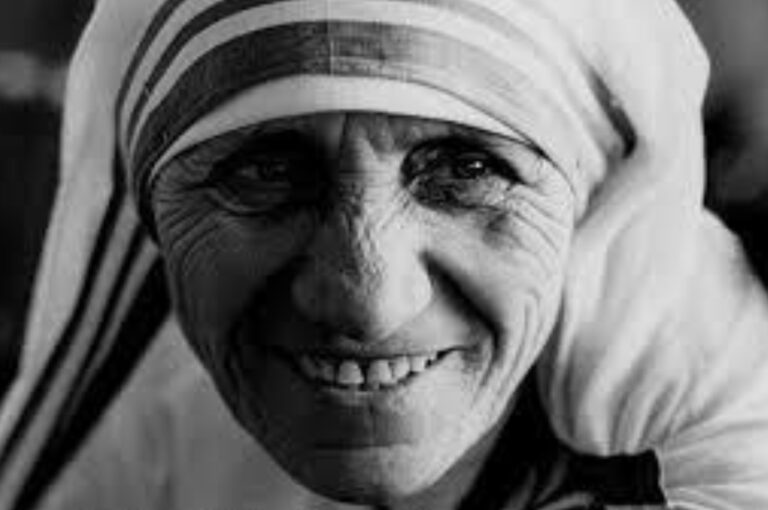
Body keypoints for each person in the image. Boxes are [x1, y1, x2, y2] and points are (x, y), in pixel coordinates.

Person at [2, 0, 768, 508]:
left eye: (469, 168)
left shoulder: (730, 420)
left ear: (593, 192)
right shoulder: (158, 405)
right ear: (152, 207)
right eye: (266, 170)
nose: (366, 303)